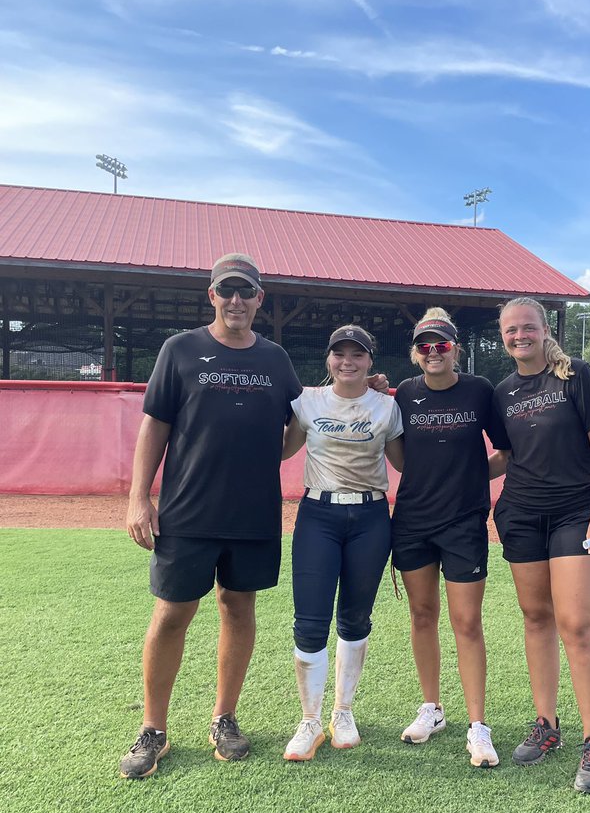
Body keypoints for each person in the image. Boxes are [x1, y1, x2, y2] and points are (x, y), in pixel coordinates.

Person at [120, 253, 302, 779]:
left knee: (237, 609)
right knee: (172, 614)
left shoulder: (276, 359)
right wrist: (139, 498)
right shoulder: (180, 350)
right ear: (213, 295)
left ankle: (225, 717)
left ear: (260, 300)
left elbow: (298, 427)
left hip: (252, 513)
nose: (237, 301)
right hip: (187, 511)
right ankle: (153, 729)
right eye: (228, 291)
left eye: (246, 291)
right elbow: (154, 427)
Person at [489, 296, 590, 794]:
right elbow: (506, 455)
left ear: (544, 330)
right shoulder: (502, 392)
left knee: (577, 623)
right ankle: (547, 725)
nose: (519, 336)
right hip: (520, 515)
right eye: (510, 331)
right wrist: (455, 476)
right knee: (536, 618)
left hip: (574, 515)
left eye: (527, 328)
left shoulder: (575, 375)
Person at [281, 325, 404, 762]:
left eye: (358, 354)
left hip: (371, 516)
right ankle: (310, 719)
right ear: (328, 359)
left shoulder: (387, 407)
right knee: (310, 620)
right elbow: (282, 451)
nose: (347, 362)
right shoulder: (307, 402)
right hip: (319, 514)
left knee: (355, 617)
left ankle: (343, 711)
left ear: (371, 361)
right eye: (339, 354)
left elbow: (405, 462)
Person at [391, 309, 507, 768]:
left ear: (455, 349)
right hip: (414, 521)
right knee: (422, 615)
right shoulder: (404, 393)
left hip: (464, 523)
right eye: (425, 345)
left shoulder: (480, 391)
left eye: (441, 345)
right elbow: (400, 461)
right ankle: (432, 709)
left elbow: (506, 452)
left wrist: (474, 478)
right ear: (415, 352)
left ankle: (478, 727)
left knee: (467, 622)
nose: (433, 352)